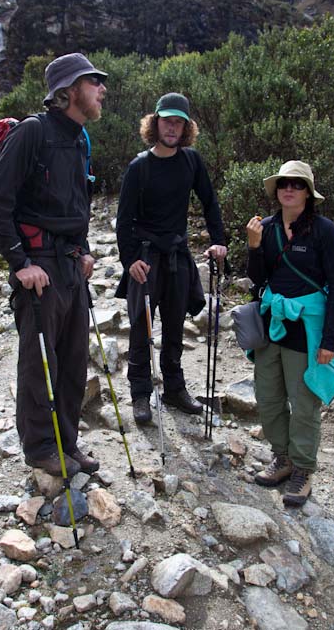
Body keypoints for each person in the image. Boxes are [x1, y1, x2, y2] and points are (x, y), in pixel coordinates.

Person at [0, 53, 107, 477]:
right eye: (94, 82)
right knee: (40, 362)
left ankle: (67, 443)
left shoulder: (79, 139)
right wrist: (19, 262)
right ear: (68, 92)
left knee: (73, 360)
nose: (102, 89)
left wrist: (85, 249)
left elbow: (76, 206)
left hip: (70, 266)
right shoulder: (33, 133)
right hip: (38, 267)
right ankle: (39, 447)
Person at [116, 92, 227, 424]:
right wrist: (130, 260)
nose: (172, 127)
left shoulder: (192, 161)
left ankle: (175, 390)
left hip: (178, 256)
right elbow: (124, 220)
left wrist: (219, 241)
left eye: (178, 122)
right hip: (146, 259)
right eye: (167, 120)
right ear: (155, 122)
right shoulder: (139, 167)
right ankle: (140, 394)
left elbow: (210, 203)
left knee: (176, 325)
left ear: (186, 127)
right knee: (141, 327)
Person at [246, 160, 334, 506]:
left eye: (297, 184)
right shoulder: (266, 227)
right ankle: (282, 458)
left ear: (308, 193)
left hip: (306, 327)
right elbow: (258, 280)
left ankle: (303, 469)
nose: (289, 188)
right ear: (276, 189)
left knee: (304, 403)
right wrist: (254, 246)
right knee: (269, 396)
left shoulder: (323, 230)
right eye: (284, 183)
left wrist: (330, 340)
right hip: (273, 323)